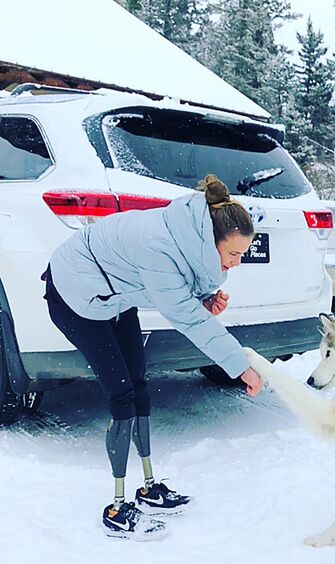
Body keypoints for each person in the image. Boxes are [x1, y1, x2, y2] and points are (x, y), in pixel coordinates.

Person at [43, 174, 263, 540]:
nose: (237, 263)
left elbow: (176, 288)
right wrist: (240, 367)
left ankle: (148, 486)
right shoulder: (160, 244)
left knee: (139, 385)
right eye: (234, 254)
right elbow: (186, 317)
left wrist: (203, 300)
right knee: (121, 393)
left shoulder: (187, 237)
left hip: (114, 296)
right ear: (211, 242)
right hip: (75, 296)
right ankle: (116, 507)